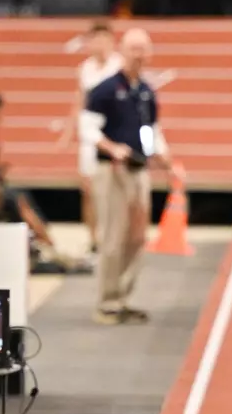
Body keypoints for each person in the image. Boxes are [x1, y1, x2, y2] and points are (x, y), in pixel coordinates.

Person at [84, 29, 180, 325]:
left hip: (140, 170)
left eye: (143, 49)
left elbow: (149, 129)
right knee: (114, 235)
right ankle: (107, 301)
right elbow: (88, 129)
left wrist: (161, 155)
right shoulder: (104, 90)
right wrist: (112, 148)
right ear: (122, 51)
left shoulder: (146, 91)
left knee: (137, 236)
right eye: (133, 49)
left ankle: (123, 296)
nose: (139, 55)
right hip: (113, 171)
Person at [61, 22, 122, 253]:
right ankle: (94, 239)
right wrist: (68, 134)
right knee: (88, 189)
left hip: (113, 133)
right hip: (90, 134)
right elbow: (79, 102)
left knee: (114, 188)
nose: (100, 44)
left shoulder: (119, 66)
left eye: (104, 39)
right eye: (96, 39)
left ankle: (113, 235)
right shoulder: (85, 68)